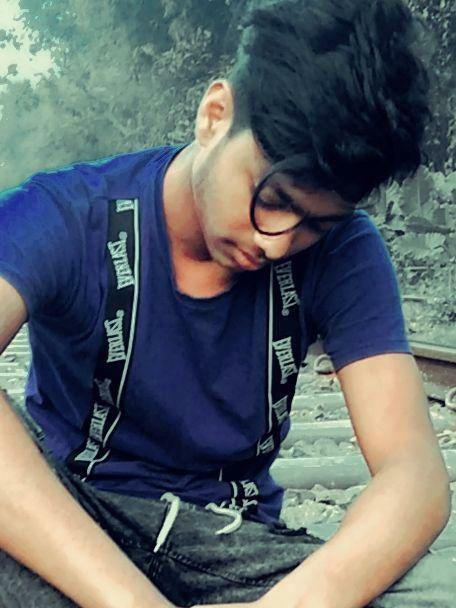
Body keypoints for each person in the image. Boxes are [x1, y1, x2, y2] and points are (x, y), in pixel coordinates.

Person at [0, 0, 452, 607]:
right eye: (274, 198)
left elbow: (414, 474)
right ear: (215, 116)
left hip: (233, 544)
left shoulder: (345, 250)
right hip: (73, 528)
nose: (279, 242)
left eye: (315, 223)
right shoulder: (64, 215)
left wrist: (299, 602)